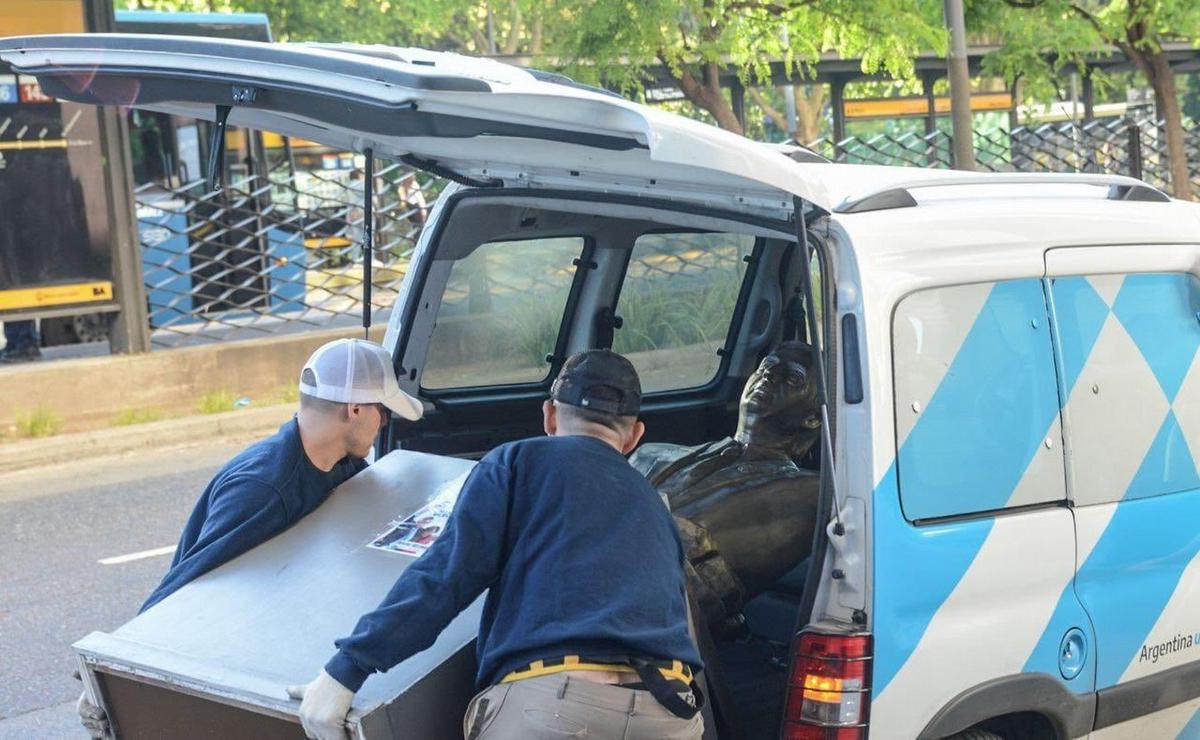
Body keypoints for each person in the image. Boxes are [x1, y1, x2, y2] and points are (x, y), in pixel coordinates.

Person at [288, 350, 704, 740]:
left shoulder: (518, 462)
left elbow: (446, 576)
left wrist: (348, 669)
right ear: (634, 437)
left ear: (550, 417)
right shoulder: (656, 504)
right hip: (670, 711)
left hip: (555, 708)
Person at [76, 337, 424, 738]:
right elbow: (189, 581)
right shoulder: (264, 486)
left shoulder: (342, 467)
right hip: (225, 656)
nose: (383, 422)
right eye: (381, 410)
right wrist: (104, 672)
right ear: (356, 409)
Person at [630, 341, 822, 633]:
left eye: (792, 378)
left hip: (652, 612)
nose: (768, 377)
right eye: (767, 368)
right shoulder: (652, 453)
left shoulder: (810, 493)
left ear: (813, 418)